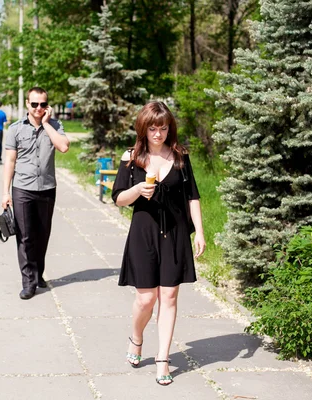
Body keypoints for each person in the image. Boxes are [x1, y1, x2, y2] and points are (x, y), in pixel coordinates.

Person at [111, 101, 205, 386]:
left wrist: (199, 232)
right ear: (143, 128)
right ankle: (137, 337)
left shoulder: (179, 157)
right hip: (143, 233)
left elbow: (193, 196)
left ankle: (163, 358)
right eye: (152, 128)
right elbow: (118, 198)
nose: (158, 134)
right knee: (146, 298)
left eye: (163, 128)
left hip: (175, 233)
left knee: (170, 296)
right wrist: (138, 189)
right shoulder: (131, 157)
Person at [1, 87, 70, 300]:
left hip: (47, 188)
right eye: (34, 104)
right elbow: (10, 161)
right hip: (22, 188)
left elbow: (64, 147)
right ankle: (29, 282)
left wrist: (47, 124)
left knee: (43, 234)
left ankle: (38, 273)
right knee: (25, 236)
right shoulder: (15, 129)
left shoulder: (55, 126)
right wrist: (5, 192)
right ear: (27, 105)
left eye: (43, 104)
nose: (38, 108)